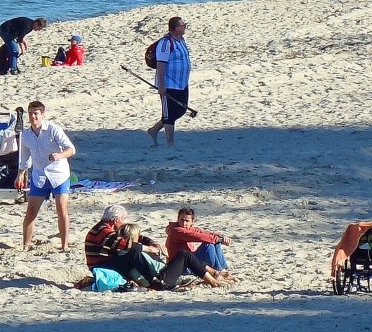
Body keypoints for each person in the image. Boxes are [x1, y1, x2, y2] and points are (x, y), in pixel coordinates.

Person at [84, 205, 227, 289]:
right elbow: (126, 244)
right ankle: (155, 281)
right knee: (134, 252)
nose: (125, 222)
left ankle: (215, 275)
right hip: (105, 264)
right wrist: (150, 249)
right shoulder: (103, 231)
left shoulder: (108, 229)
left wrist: (151, 243)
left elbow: (136, 238)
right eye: (123, 220)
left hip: (114, 263)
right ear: (116, 220)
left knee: (188, 254)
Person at [15, 100, 75, 252]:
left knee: (61, 209)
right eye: (30, 113)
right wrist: (20, 174)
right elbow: (25, 158)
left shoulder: (53, 130)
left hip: (59, 175)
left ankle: (64, 245)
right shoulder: (26, 135)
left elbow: (71, 149)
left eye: (36, 113)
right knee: (30, 212)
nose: (33, 117)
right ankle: (26, 245)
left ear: (42, 115)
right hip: (39, 176)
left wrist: (60, 155)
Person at [145, 17, 191, 148]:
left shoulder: (181, 40)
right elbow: (160, 65)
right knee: (169, 115)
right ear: (177, 28)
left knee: (181, 110)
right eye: (183, 25)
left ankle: (153, 130)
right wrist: (162, 86)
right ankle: (170, 144)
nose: (185, 27)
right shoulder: (166, 43)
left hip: (181, 83)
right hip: (169, 84)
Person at [165, 207, 231, 271]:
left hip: (189, 260)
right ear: (178, 219)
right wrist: (219, 239)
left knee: (214, 242)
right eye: (182, 220)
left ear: (192, 222)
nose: (184, 223)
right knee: (208, 244)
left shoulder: (188, 228)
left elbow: (202, 233)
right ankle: (218, 270)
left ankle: (222, 269)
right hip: (181, 266)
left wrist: (221, 236)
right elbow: (197, 236)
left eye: (187, 221)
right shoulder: (176, 230)